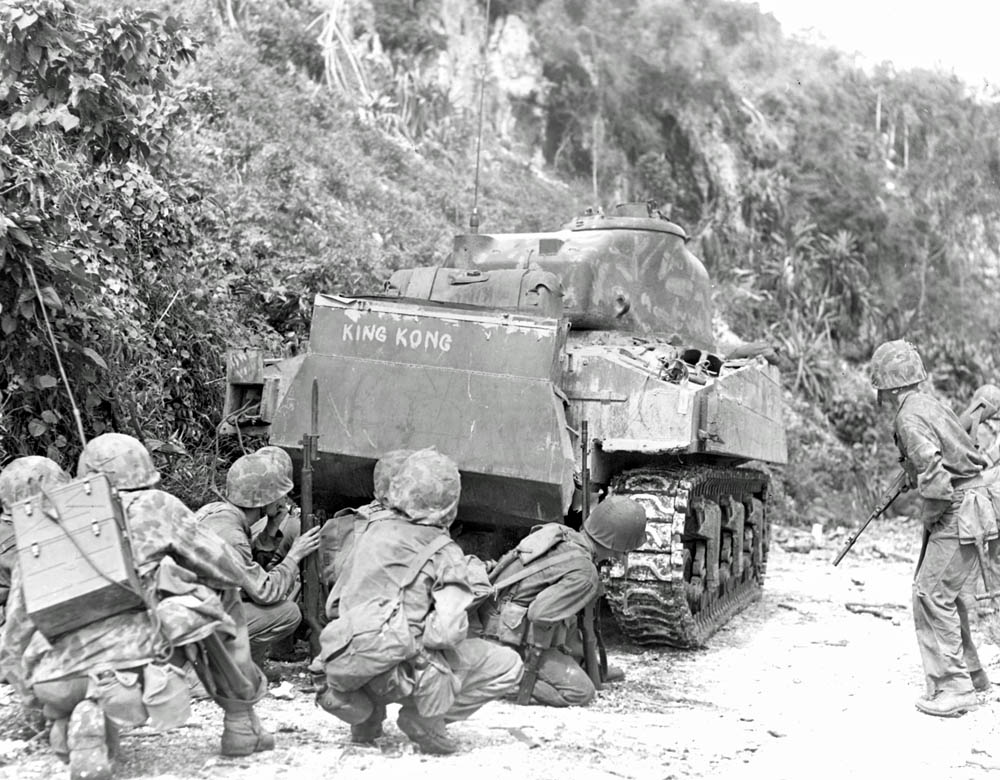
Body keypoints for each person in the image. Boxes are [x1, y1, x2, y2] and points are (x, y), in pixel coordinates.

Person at [0, 436, 277, 780]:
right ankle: (239, 719)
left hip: (57, 679)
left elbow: (14, 632)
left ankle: (73, 720)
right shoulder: (156, 505)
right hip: (133, 666)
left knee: (67, 687)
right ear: (144, 470)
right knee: (221, 594)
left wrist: (35, 700)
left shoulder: (46, 523)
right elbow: (226, 569)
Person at [316, 449, 522, 754]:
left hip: (345, 667)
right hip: (403, 673)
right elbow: (445, 633)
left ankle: (366, 719)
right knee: (508, 665)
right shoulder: (444, 550)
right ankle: (424, 718)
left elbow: (335, 605)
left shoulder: (368, 530)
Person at [870, 340, 1000, 717]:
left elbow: (937, 479)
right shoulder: (929, 403)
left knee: (930, 594)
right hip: (973, 507)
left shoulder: (909, 417)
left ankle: (954, 688)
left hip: (959, 510)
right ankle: (972, 675)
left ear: (888, 385)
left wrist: (930, 517)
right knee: (948, 594)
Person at [477, 495, 646, 707]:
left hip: (492, 613)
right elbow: (539, 614)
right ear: (621, 550)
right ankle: (501, 677)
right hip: (505, 634)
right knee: (580, 692)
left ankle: (572, 663)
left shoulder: (561, 533)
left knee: (567, 616)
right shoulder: (584, 572)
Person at [196, 452, 321, 679]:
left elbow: (242, 566)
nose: (283, 501)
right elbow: (265, 591)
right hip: (198, 621)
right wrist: (295, 555)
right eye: (279, 496)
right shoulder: (231, 535)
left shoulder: (217, 513)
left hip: (194, 608)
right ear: (266, 502)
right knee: (287, 613)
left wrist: (269, 533)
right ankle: (227, 670)